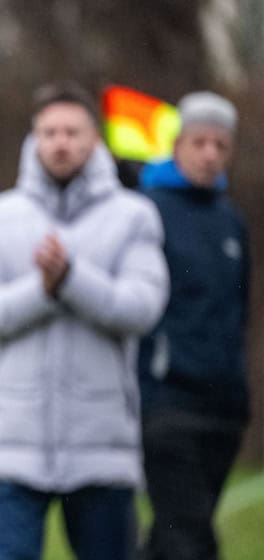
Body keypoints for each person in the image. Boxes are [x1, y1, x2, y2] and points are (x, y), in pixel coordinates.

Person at [0, 82, 169, 560]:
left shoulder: (134, 217)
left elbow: (143, 307)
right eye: (49, 132)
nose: (61, 142)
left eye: (72, 131)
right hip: (13, 442)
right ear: (34, 139)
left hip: (103, 447)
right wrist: (44, 289)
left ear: (95, 139)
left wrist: (72, 277)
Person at [136, 91, 249, 560]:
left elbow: (239, 310)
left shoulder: (231, 222)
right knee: (191, 538)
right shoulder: (146, 210)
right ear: (177, 144)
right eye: (200, 142)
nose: (209, 154)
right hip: (165, 403)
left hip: (224, 408)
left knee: (172, 537)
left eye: (220, 145)